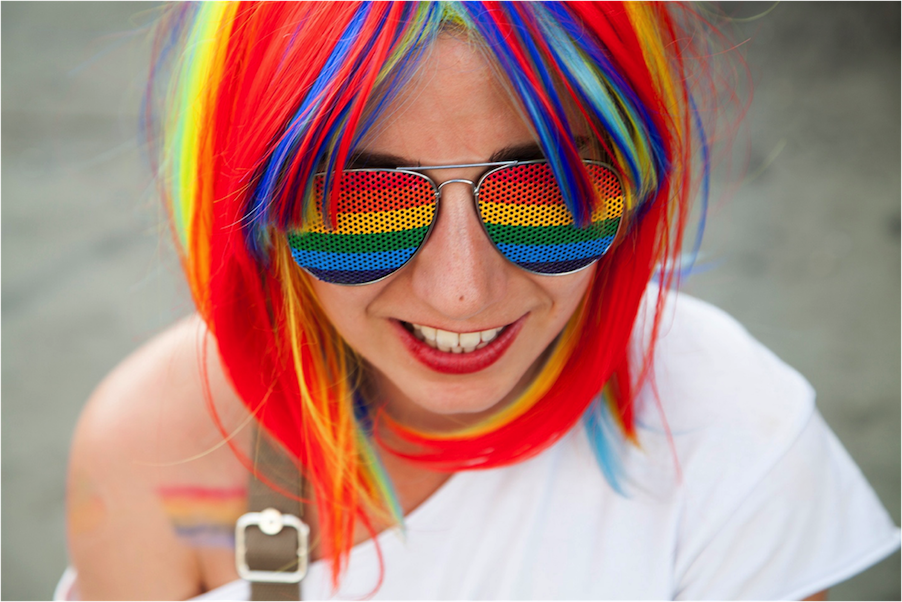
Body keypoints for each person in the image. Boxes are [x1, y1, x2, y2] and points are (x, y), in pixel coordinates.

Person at [59, 1, 900, 600]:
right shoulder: (154, 456)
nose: (462, 289)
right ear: (255, 217)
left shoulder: (733, 437)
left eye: (544, 192)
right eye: (362, 205)